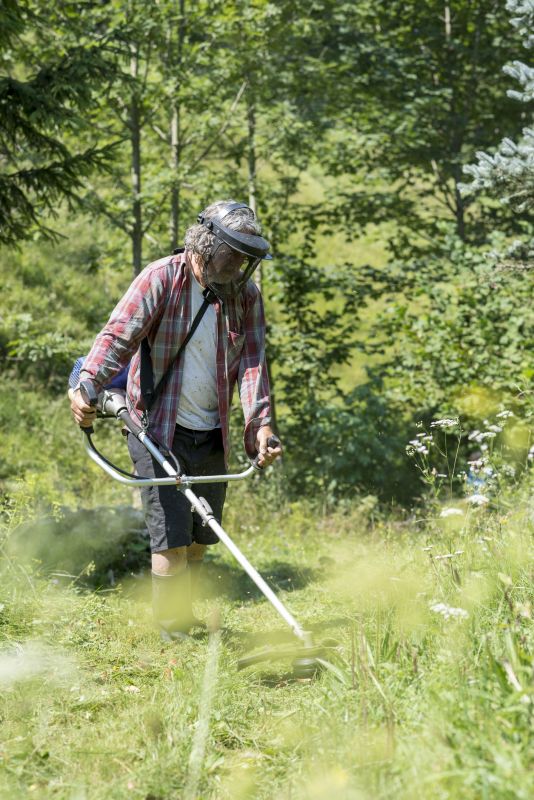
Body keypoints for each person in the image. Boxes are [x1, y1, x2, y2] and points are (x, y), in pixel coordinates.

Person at [69, 201, 282, 640]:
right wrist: (87, 385)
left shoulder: (245, 296)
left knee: (201, 536)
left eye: (246, 257)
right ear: (207, 247)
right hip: (156, 427)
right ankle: (172, 630)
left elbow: (253, 365)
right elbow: (117, 338)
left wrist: (260, 426)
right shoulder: (161, 278)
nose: (239, 266)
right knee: (171, 536)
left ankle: (185, 616)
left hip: (212, 431)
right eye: (233, 255)